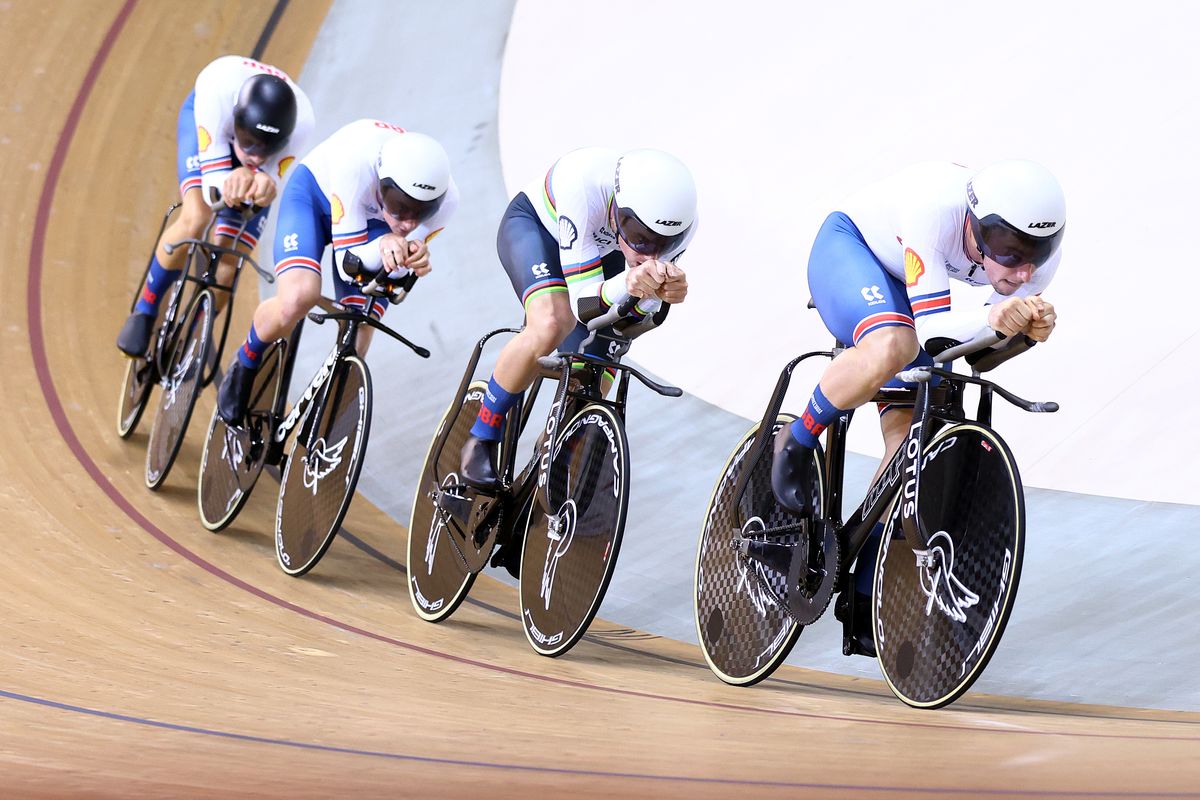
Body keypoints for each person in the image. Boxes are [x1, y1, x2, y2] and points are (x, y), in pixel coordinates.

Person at [771, 159, 1065, 655]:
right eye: (1012, 253)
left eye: (1037, 253)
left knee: (912, 438)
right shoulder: (935, 211)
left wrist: (1021, 335)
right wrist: (994, 316)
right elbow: (929, 333)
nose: (1025, 271)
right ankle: (795, 440)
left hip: (917, 290)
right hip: (855, 252)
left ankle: (865, 575)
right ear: (976, 228)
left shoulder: (1033, 258)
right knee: (892, 346)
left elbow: (976, 354)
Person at [457, 147, 698, 489]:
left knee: (606, 356)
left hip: (604, 255)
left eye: (663, 244)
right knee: (553, 322)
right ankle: (481, 436)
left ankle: (556, 450)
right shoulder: (584, 188)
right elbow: (583, 305)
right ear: (617, 208)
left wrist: (655, 297)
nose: (649, 254)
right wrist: (630, 284)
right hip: (540, 233)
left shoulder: (684, 225)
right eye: (641, 238)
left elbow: (631, 324)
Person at [215, 119, 458, 426]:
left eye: (421, 212)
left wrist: (412, 258)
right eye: (399, 207)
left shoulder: (449, 201)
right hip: (314, 200)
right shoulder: (356, 163)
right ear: (383, 184)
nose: (409, 223)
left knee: (360, 330)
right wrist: (387, 242)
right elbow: (349, 265)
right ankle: (246, 361)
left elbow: (392, 278)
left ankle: (323, 425)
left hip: (372, 230)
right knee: (299, 297)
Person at [116, 55, 315, 357]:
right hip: (209, 133)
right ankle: (144, 310)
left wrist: (263, 185)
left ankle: (192, 337)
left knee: (229, 257)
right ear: (237, 124)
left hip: (250, 144)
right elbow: (213, 195)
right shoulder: (216, 92)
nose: (257, 157)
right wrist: (231, 177)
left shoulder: (302, 125)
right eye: (248, 143)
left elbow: (267, 179)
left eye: (267, 149)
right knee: (196, 217)